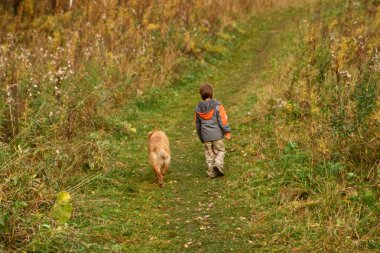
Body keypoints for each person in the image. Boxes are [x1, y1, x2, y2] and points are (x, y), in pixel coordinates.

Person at [194, 83, 231, 178]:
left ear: (200, 95)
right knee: (220, 151)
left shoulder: (198, 109)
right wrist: (227, 131)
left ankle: (211, 172)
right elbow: (222, 120)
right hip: (217, 136)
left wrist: (201, 137)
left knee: (209, 154)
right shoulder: (218, 105)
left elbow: (197, 125)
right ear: (212, 94)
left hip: (206, 137)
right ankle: (217, 165)